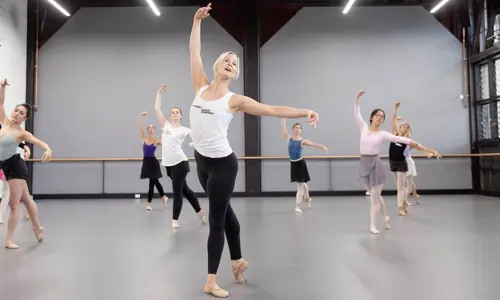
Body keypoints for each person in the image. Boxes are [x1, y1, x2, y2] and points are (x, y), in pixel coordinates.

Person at [189, 3, 319, 297]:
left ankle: (211, 280)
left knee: (217, 220)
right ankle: (238, 262)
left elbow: (272, 109)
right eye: (226, 59)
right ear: (215, 66)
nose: (230, 62)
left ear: (234, 74)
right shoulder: (199, 86)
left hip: (222, 166)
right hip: (200, 163)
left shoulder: (235, 100)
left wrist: (304, 111)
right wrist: (197, 22)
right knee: (228, 215)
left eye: (234, 63)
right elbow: (194, 52)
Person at [353, 88, 439, 234]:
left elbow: (403, 139)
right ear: (371, 117)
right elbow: (356, 114)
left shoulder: (383, 134)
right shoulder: (363, 128)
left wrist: (422, 147)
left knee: (374, 198)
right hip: (364, 163)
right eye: (378, 115)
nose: (380, 118)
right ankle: (384, 217)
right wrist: (357, 98)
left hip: (375, 165)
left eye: (382, 116)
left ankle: (373, 225)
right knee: (375, 195)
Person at [0, 78, 52, 249]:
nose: (16, 113)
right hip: (5, 166)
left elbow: (38, 142)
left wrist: (47, 149)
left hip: (16, 167)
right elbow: (1, 102)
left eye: (21, 113)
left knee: (14, 204)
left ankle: (8, 239)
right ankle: (37, 227)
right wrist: (2, 88)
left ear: (25, 118)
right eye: (16, 110)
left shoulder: (22, 134)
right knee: (28, 200)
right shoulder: (5, 123)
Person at [153, 83, 207, 229]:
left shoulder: (184, 130)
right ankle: (200, 211)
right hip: (168, 165)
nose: (175, 113)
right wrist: (159, 94)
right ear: (171, 115)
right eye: (173, 112)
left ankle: (174, 220)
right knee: (185, 190)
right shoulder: (166, 126)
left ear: (181, 116)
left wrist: (196, 143)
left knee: (177, 191)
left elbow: (194, 136)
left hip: (180, 163)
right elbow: (157, 109)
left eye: (178, 112)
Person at [280, 118, 328, 213]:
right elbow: (282, 127)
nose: (297, 129)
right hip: (293, 164)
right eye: (295, 128)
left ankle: (297, 206)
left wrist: (323, 147)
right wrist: (283, 116)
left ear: (301, 130)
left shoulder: (302, 141)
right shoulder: (288, 138)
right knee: (304, 185)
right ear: (293, 129)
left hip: (300, 164)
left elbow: (313, 144)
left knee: (300, 186)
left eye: (299, 128)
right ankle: (307, 199)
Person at [138, 111, 167, 211]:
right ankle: (163, 196)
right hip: (146, 162)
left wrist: (167, 132)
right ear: (147, 130)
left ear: (154, 130)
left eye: (152, 128)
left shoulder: (156, 141)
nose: (150, 129)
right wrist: (141, 117)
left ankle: (148, 203)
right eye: (149, 128)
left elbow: (164, 143)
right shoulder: (144, 138)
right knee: (156, 182)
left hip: (153, 163)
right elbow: (140, 129)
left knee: (152, 183)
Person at [0, 139, 30, 224]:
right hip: (5, 168)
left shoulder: (5, 134)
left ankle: (28, 211)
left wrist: (26, 147)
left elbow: (15, 141)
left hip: (14, 167)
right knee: (6, 193)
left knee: (21, 192)